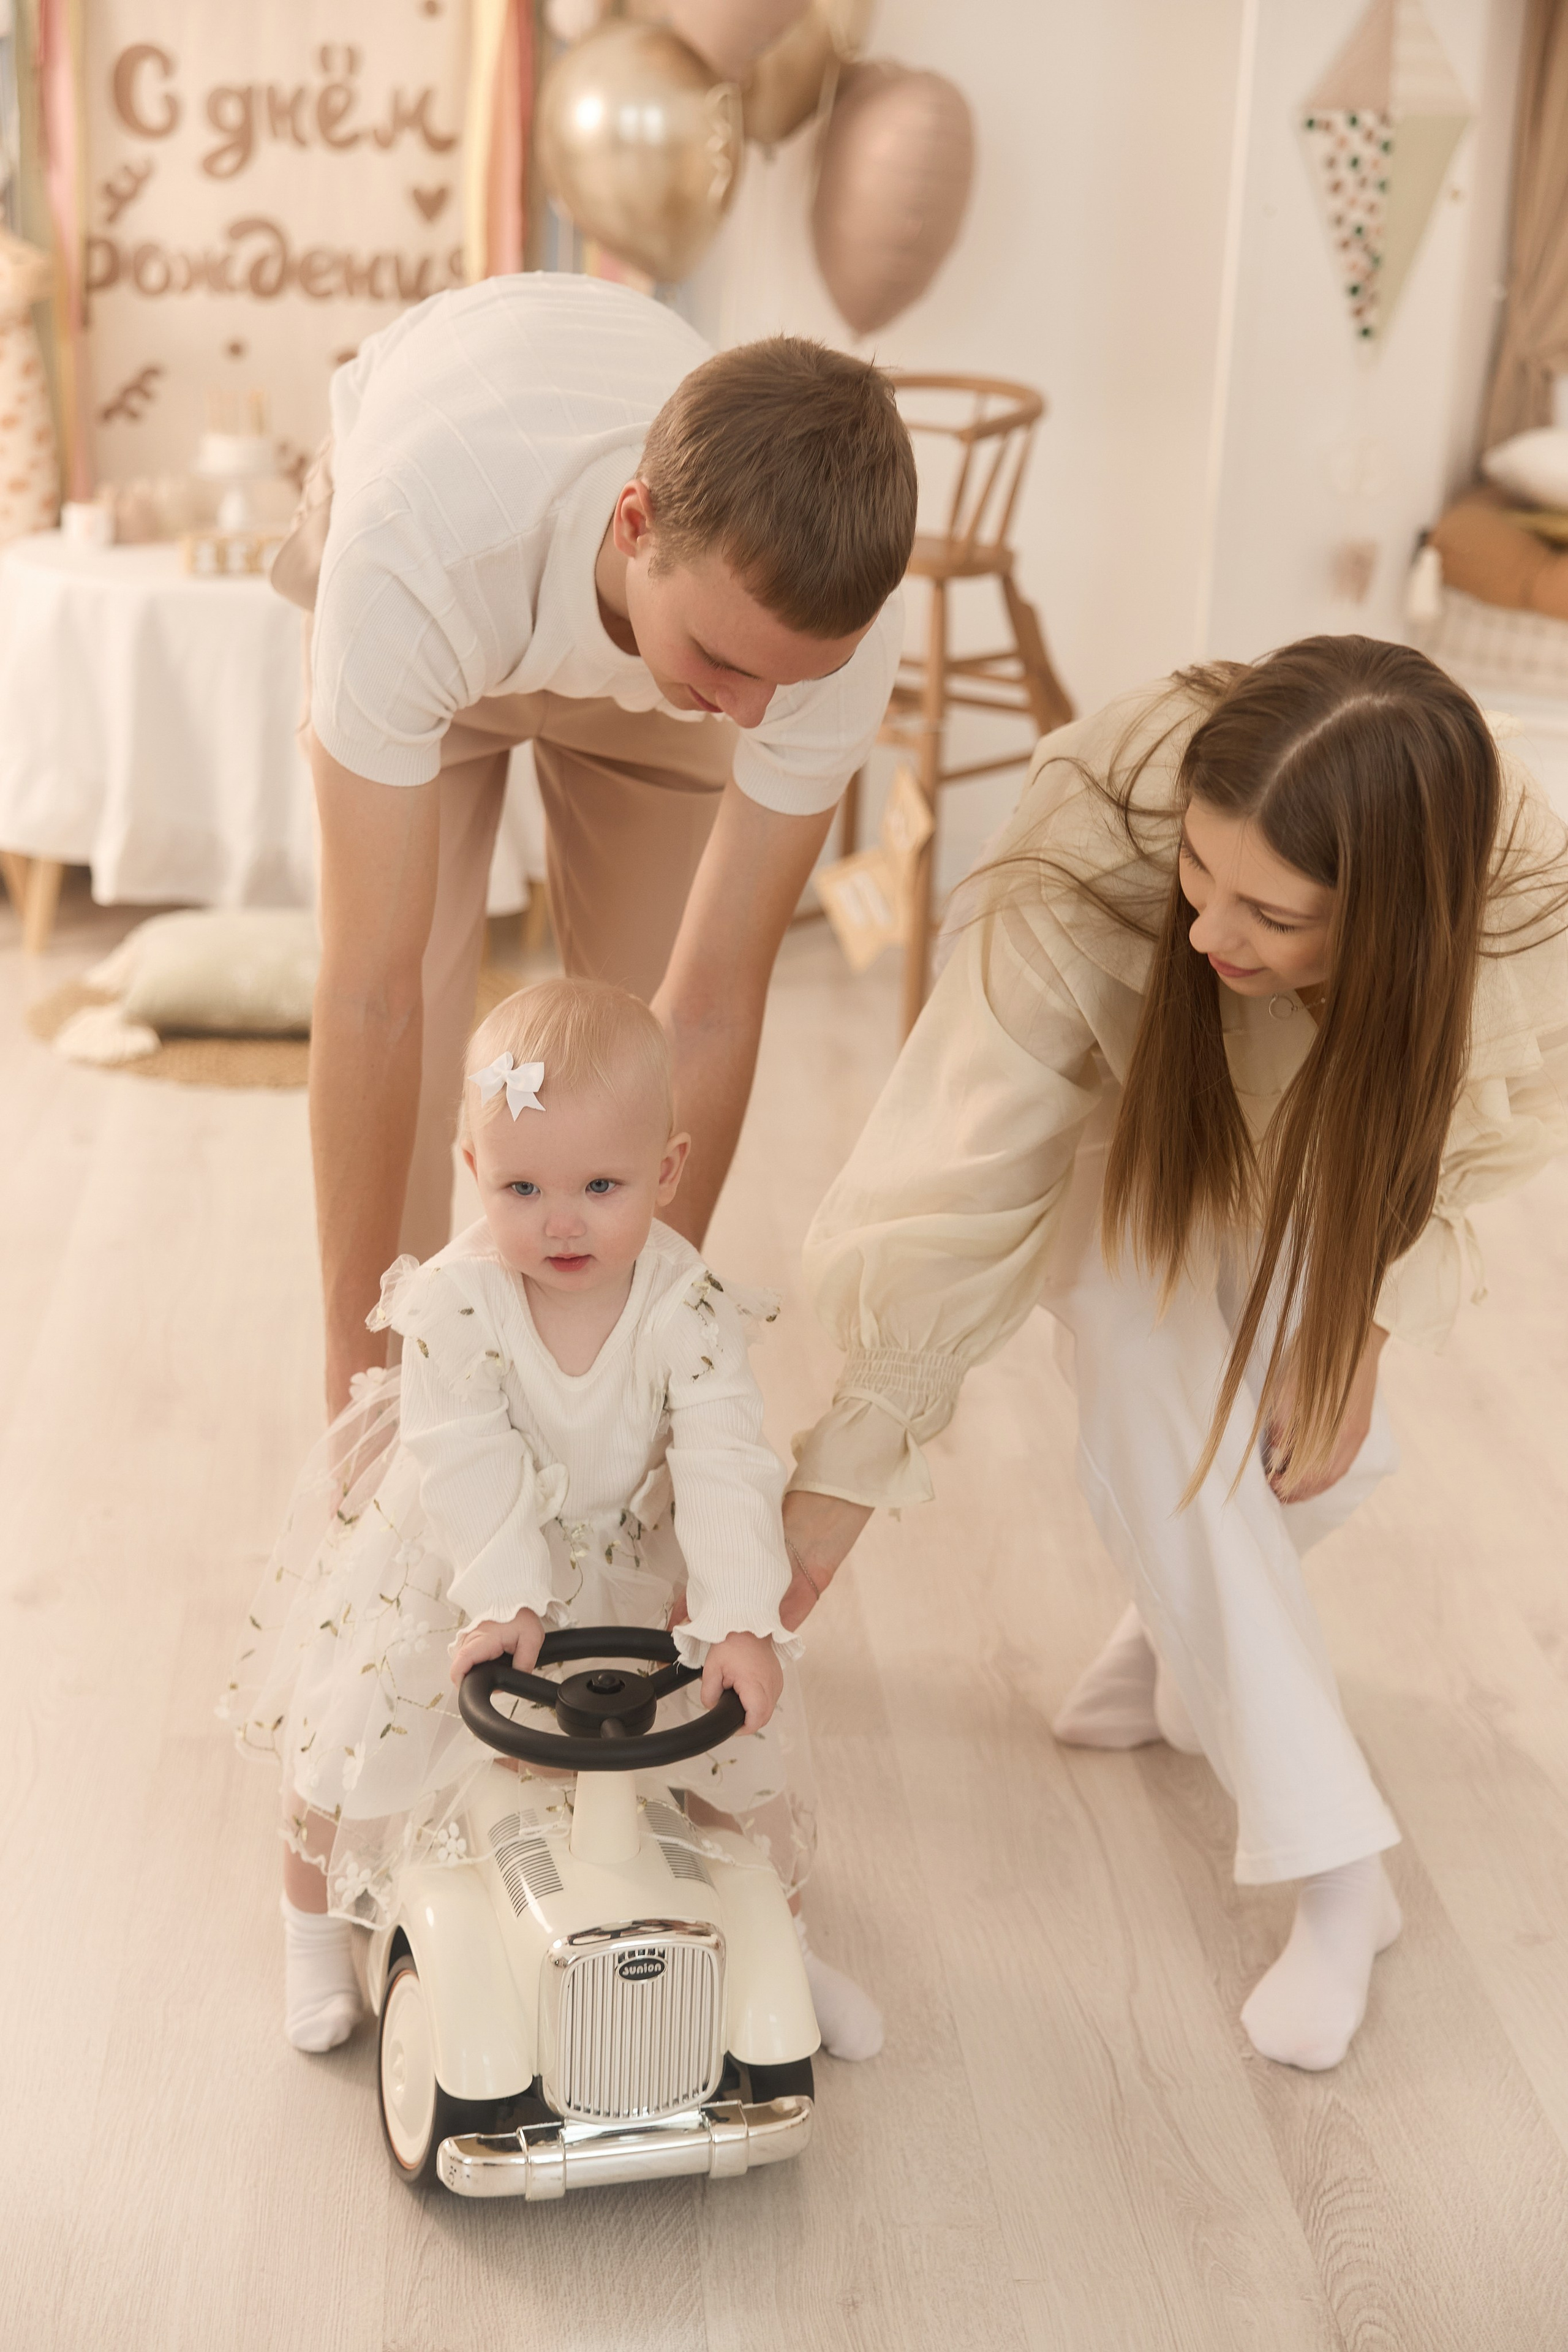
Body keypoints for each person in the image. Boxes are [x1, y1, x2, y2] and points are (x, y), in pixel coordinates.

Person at [777, 637, 1568, 2071]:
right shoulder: (1113, 820)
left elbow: (1458, 1153)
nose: (1209, 931)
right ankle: (1339, 1880)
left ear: (1391, 924)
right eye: (1200, 880)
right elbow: (978, 1152)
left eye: (1270, 914)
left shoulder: (1515, 901)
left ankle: (1172, 1634)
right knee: (1150, 1375)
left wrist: (1359, 1333)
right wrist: (840, 1476)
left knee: (1317, 1458)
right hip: (1122, 1118)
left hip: (1329, 1151)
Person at [272, 272, 915, 1416]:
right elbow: (367, 995)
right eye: (729, 662)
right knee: (416, 1006)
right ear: (636, 523)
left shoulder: (817, 644)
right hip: (455, 570)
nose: (760, 714)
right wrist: (351, 1382)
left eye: (791, 679)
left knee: (625, 1078)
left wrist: (641, 1364)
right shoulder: (416, 549)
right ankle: (409, 1388)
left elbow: (710, 1004)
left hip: (630, 640)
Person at [222, 977, 881, 2064]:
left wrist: (736, 1618)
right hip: (458, 1552)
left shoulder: (689, 1308)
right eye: (521, 1186)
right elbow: (465, 1456)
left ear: (668, 1172)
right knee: (351, 1733)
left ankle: (784, 1944)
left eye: (601, 1185)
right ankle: (304, 1929)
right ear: (474, 1170)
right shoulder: (455, 1302)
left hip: (628, 1545)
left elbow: (723, 1461)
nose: (560, 1220)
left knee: (732, 1757)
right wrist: (507, 1597)